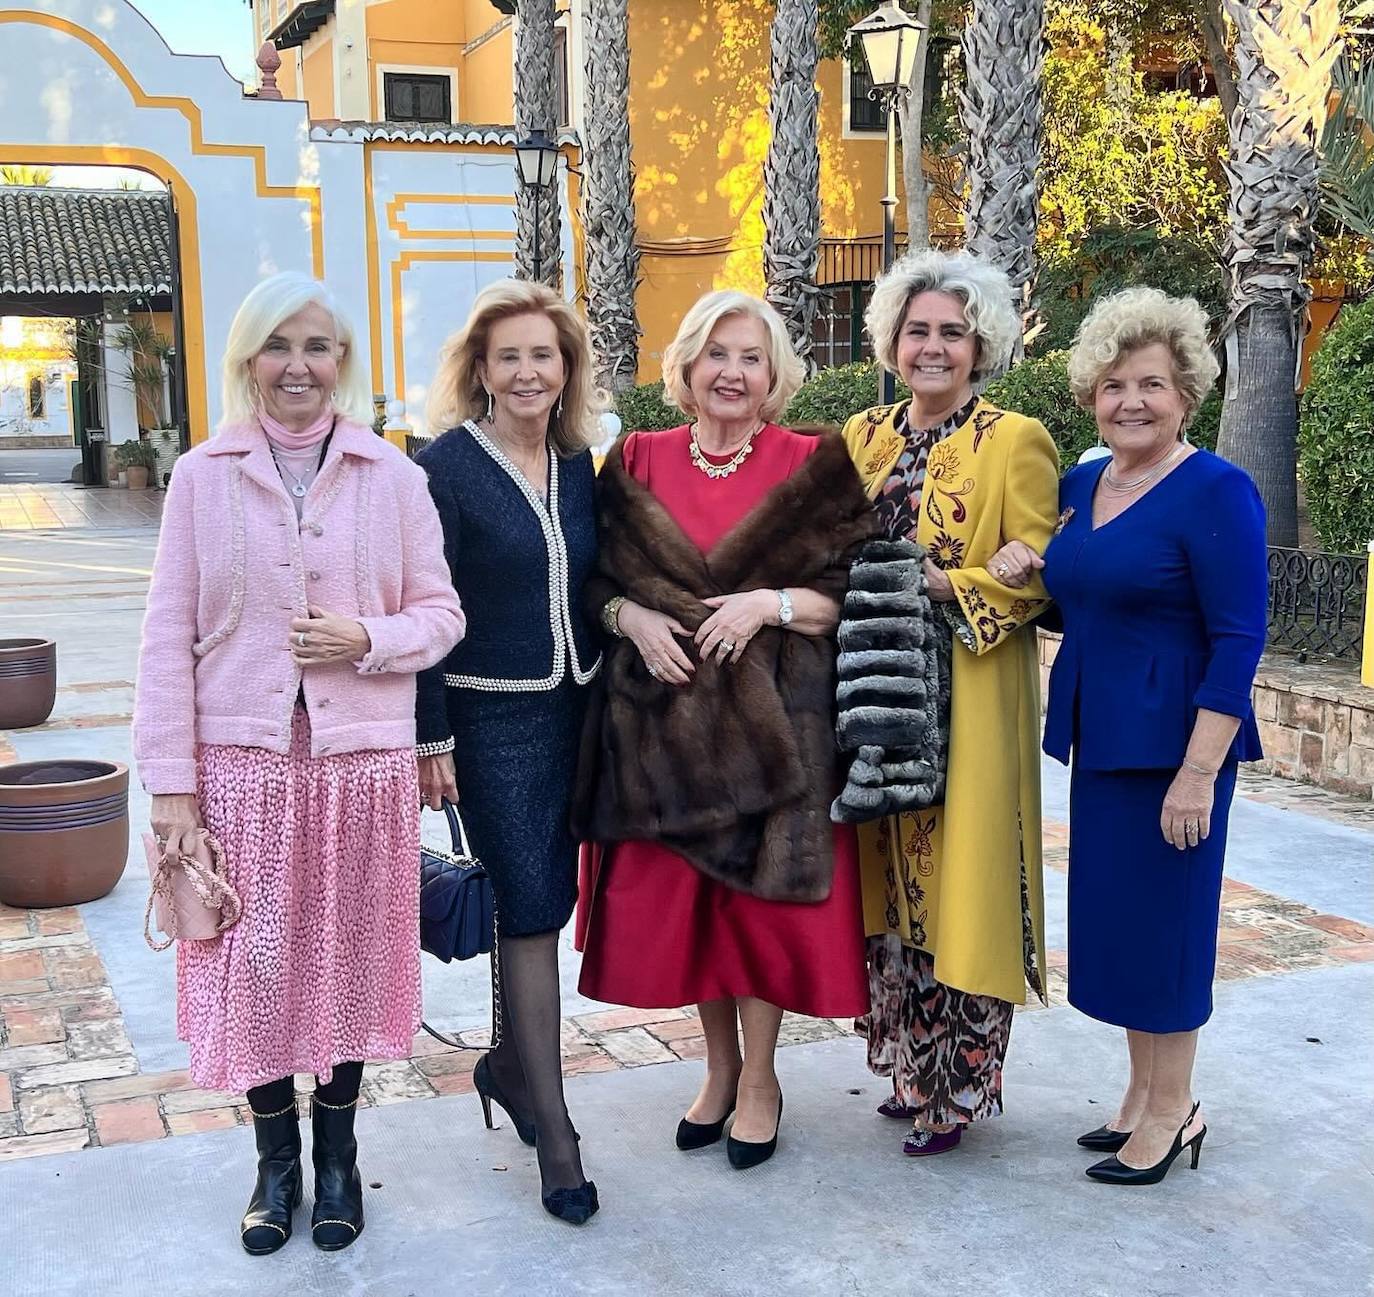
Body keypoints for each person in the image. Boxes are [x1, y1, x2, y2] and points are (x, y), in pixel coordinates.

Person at [132, 272, 464, 1254]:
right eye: (279, 346)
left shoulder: (393, 478)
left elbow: (442, 616)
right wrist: (171, 787)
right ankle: (275, 1166)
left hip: (359, 770)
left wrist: (364, 635)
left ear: (342, 364)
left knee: (352, 959)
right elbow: (164, 638)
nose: (298, 366)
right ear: (247, 359)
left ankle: (339, 1159)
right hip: (243, 770)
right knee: (259, 966)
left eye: (318, 347)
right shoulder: (202, 476)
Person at [573, 290, 877, 1170]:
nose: (732, 373)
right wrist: (630, 616)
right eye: (715, 354)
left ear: (775, 373)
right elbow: (589, 585)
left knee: (759, 913)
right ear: (686, 370)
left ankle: (762, 1082)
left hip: (779, 734)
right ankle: (717, 1069)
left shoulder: (814, 460)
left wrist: (768, 603)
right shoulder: (636, 457)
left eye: (750, 357)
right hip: (662, 732)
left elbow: (855, 594)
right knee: (696, 912)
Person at [990, 286, 1267, 1184]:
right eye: (1113, 385)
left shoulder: (1219, 490)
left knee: (1170, 930)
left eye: (1150, 383)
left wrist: (1199, 773)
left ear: (1186, 391)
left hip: (1177, 748)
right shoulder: (1080, 485)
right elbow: (1075, 591)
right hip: (1100, 735)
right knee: (1121, 926)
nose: (1131, 402)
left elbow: (1238, 637)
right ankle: (1142, 1096)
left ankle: (1176, 1108)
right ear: (1091, 397)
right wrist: (1024, 562)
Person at [838, 249, 1059, 1156]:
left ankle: (959, 1085)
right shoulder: (862, 434)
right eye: (917, 330)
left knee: (962, 885)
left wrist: (940, 583)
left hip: (966, 694)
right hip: (875, 699)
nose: (933, 348)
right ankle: (906, 1065)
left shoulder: (1017, 438)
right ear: (891, 339)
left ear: (982, 346)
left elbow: (1035, 574)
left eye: (952, 334)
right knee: (886, 878)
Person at [414, 279, 604, 1225]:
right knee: (528, 908)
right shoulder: (443, 466)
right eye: (510, 357)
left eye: (545, 355)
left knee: (544, 899)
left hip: (576, 713)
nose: (529, 372)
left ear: (565, 369)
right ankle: (556, 1131)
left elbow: (600, 575)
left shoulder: (577, 462)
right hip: (486, 722)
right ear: (481, 371)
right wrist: (430, 731)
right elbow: (421, 600)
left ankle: (506, 1063)